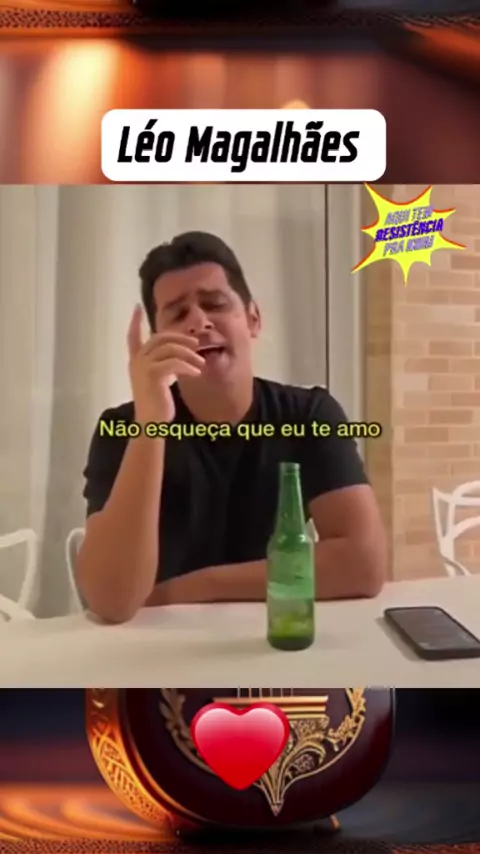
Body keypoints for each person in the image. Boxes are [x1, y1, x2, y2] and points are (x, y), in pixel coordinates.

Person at [77, 231, 387, 623]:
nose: (199, 322)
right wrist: (151, 422)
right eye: (177, 314)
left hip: (274, 634)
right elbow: (110, 601)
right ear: (156, 341)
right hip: (159, 645)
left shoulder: (309, 415)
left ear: (253, 319)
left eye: (214, 304)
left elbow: (363, 564)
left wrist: (193, 588)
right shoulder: (122, 428)